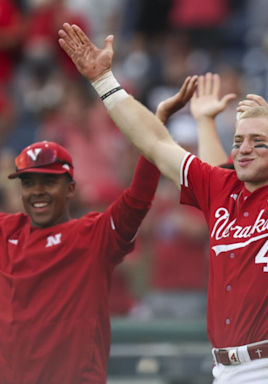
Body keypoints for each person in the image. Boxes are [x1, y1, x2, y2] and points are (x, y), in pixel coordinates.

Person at [59, 22, 268, 383]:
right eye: (239, 140)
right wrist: (104, 81)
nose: (243, 149)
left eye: (258, 141)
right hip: (224, 369)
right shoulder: (220, 186)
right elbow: (155, 144)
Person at [0, 81, 196, 384]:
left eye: (48, 181)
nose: (37, 191)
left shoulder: (92, 234)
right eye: (28, 183)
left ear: (71, 189)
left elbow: (137, 199)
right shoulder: (7, 231)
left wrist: (155, 131)